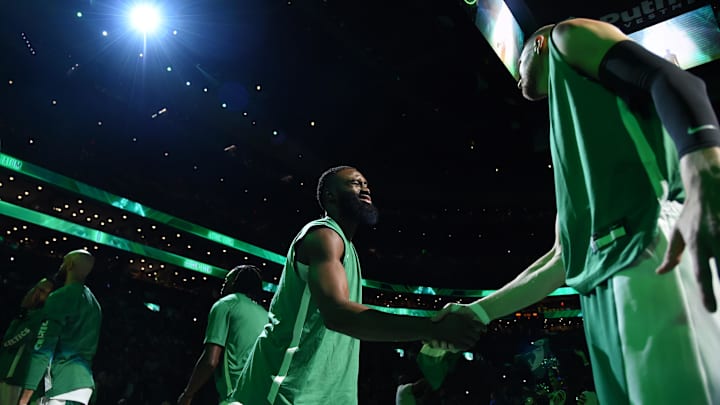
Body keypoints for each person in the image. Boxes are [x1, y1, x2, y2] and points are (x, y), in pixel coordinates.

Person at [432, 17, 720, 405]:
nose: (517, 79)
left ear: (535, 46)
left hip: (646, 249)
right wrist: (477, 312)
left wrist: (705, 168)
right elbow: (562, 260)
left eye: (518, 65)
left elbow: (673, 80)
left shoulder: (567, 36)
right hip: (599, 284)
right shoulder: (579, 128)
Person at [228, 166, 485, 405]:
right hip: (279, 392)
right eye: (354, 183)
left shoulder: (348, 249)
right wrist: (433, 328)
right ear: (330, 197)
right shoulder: (322, 236)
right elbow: (339, 315)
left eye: (366, 184)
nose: (365, 188)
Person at [18, 249, 102, 405]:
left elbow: (42, 349)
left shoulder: (61, 296)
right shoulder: (94, 304)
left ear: (69, 264)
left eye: (63, 262)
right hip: (83, 386)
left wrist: (24, 399)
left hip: (61, 386)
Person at [177, 265, 269, 405]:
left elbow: (210, 361)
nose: (223, 285)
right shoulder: (266, 315)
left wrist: (187, 394)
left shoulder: (226, 305)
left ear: (235, 282)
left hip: (234, 397)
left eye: (227, 280)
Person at [0, 278, 55, 405]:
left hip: (14, 375)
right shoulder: (28, 313)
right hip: (7, 372)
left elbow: (14, 340)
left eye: (42, 291)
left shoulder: (39, 316)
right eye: (36, 287)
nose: (35, 292)